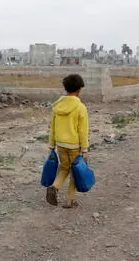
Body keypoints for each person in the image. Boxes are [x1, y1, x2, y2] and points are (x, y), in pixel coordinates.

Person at [46, 74, 89, 208]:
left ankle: (54, 186)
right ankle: (70, 200)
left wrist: (52, 144)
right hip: (75, 146)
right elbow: (83, 130)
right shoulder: (80, 107)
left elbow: (52, 127)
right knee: (75, 171)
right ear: (79, 90)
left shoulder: (57, 107)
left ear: (65, 88)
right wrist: (84, 148)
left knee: (64, 168)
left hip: (60, 145)